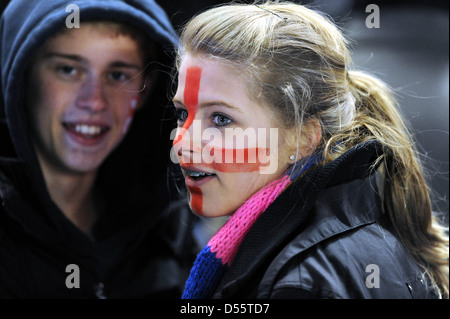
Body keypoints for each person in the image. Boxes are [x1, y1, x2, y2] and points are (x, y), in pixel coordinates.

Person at [171, 1, 449, 299]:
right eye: (182, 114)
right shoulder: (340, 237)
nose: (181, 143)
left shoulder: (301, 285)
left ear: (303, 138)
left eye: (221, 119)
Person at [0, 0, 196, 298]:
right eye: (68, 69)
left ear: (148, 88)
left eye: (118, 75)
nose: (94, 101)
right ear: (23, 77)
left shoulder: (168, 224)